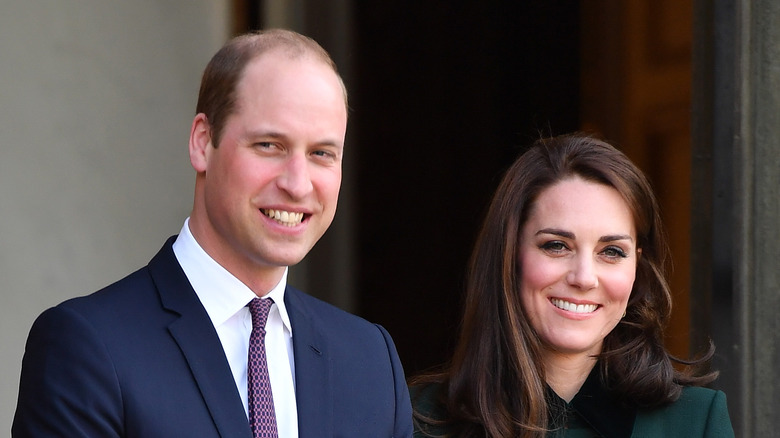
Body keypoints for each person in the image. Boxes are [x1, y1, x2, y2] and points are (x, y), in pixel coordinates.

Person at [13, 29, 413, 438]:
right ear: (203, 142)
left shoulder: (370, 361)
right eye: (269, 145)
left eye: (321, 154)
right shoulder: (87, 347)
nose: (298, 184)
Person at [410, 134, 734, 437]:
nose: (583, 277)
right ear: (509, 255)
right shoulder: (416, 419)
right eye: (556, 245)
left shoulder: (694, 420)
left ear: (638, 266)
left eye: (611, 251)